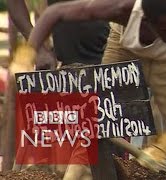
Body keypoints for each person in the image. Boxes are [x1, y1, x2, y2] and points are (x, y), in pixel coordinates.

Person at [9, 0, 166, 173]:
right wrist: (28, 52)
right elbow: (56, 13)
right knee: (97, 114)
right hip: (124, 43)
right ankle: (81, 173)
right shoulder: (121, 8)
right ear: (147, 20)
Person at [7, 0, 112, 179]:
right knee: (67, 165)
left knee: (106, 161)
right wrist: (38, 48)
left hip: (112, 63)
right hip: (68, 69)